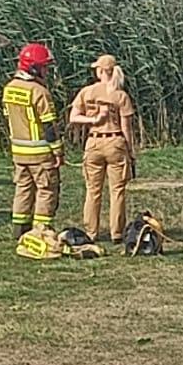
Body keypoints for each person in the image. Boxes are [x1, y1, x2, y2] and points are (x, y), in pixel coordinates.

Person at [70, 54, 139, 245]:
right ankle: (117, 232)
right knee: (117, 191)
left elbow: (73, 117)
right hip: (115, 141)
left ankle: (91, 232)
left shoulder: (87, 92)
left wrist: (92, 120)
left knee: (93, 190)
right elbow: (126, 127)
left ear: (100, 71)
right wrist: (130, 151)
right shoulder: (120, 95)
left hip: (94, 141)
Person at [2, 43, 63, 239]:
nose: (46, 71)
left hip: (19, 152)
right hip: (40, 153)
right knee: (47, 190)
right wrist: (57, 151)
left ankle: (20, 230)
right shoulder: (39, 92)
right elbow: (49, 126)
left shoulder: (9, 89)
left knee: (23, 189)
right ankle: (40, 232)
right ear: (34, 68)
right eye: (44, 67)